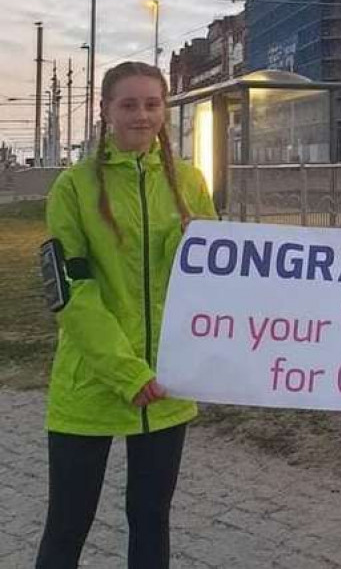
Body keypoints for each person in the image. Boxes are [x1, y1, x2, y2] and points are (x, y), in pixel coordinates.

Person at [37, 61, 216, 568]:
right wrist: (125, 371)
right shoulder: (72, 188)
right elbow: (72, 291)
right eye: (129, 104)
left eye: (153, 104)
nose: (142, 115)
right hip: (92, 383)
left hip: (167, 384)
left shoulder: (190, 182)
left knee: (151, 518)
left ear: (165, 109)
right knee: (68, 524)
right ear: (105, 111)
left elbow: (218, 279)